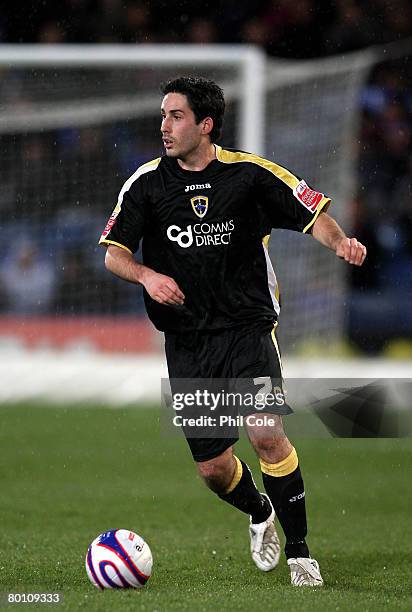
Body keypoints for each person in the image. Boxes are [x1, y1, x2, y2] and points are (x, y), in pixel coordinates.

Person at [99, 76, 366, 587]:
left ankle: (301, 555)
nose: (164, 126)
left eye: (175, 116)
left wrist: (340, 245)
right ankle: (259, 508)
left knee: (267, 433)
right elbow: (116, 255)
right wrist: (148, 275)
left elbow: (315, 214)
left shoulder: (249, 176)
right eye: (162, 115)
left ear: (206, 124)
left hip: (247, 329)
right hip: (188, 341)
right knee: (213, 469)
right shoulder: (147, 184)